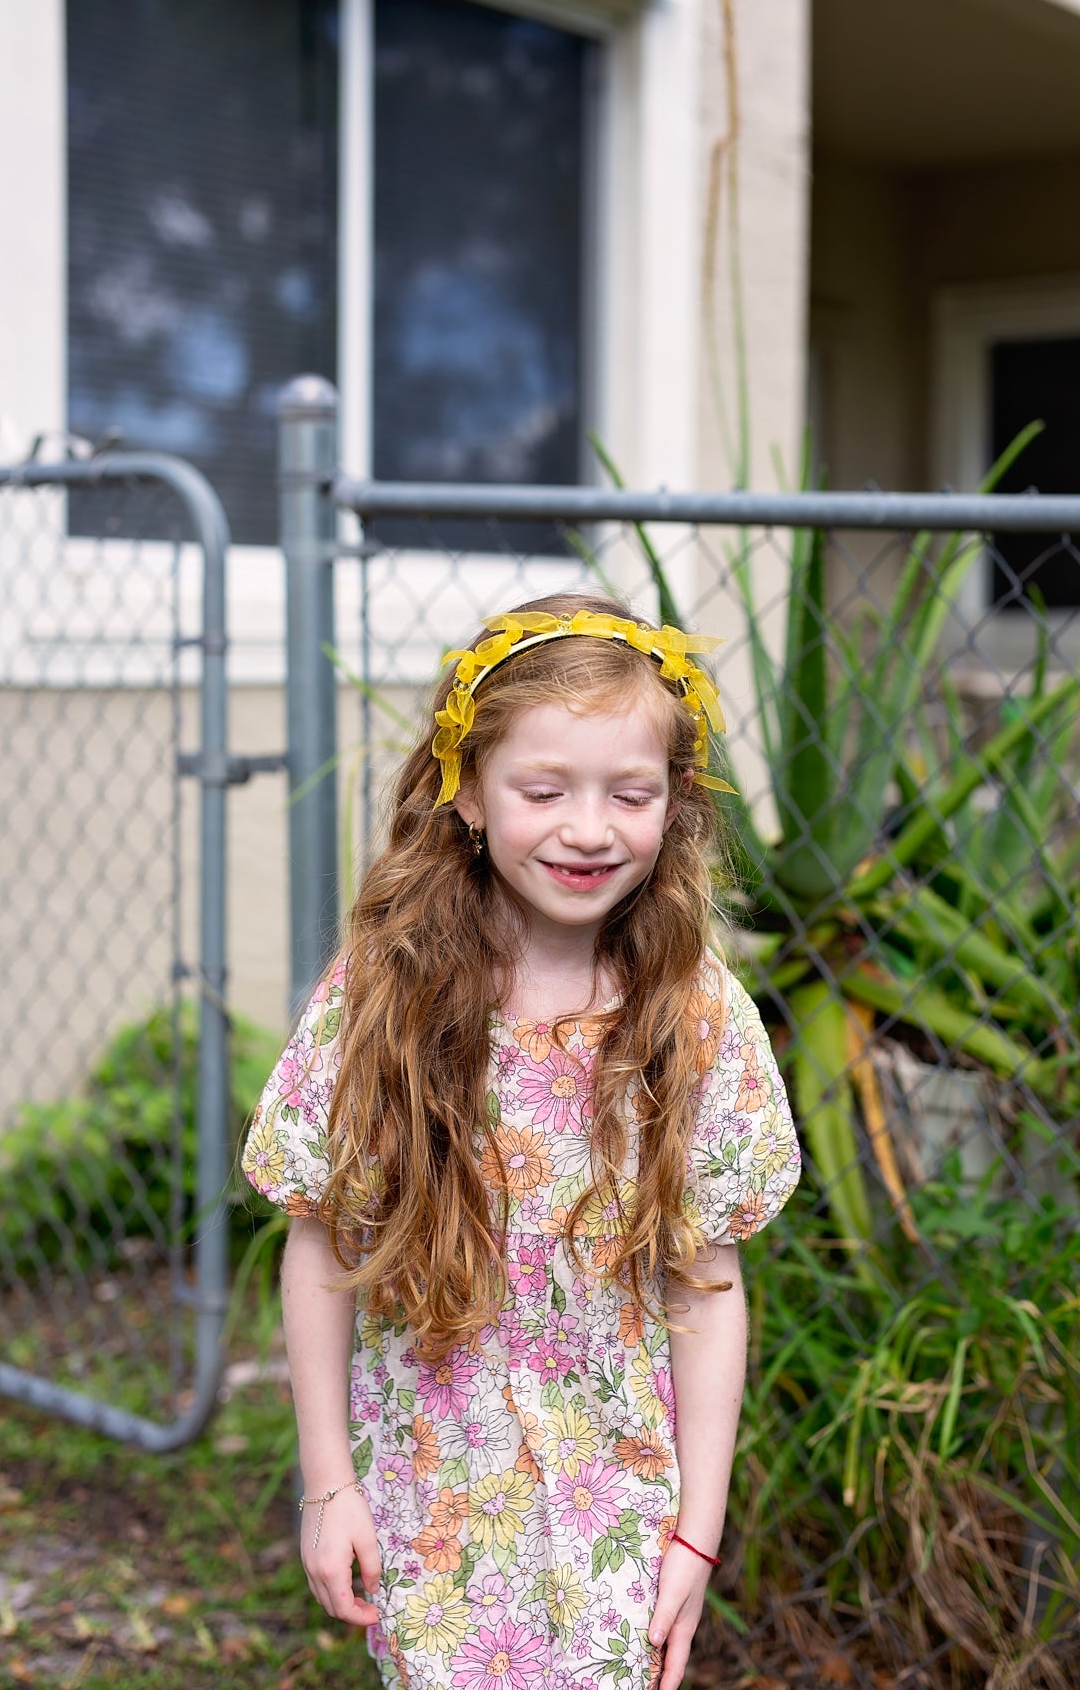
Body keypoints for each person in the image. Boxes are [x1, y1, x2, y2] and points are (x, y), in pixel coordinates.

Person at [243, 591, 800, 1690]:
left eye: (629, 794)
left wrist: (697, 1525)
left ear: (676, 804)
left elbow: (706, 1286)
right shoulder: (383, 999)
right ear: (466, 794)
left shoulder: (695, 1015)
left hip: (620, 1492)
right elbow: (321, 1242)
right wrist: (328, 1483)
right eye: (544, 790)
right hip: (430, 1483)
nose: (588, 828)